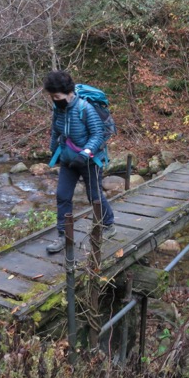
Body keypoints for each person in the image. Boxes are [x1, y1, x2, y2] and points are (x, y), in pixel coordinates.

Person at [43, 70, 115, 254]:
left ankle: (108, 225)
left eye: (57, 96)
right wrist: (53, 151)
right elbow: (56, 131)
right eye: (52, 96)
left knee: (94, 196)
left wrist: (85, 153)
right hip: (68, 160)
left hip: (89, 161)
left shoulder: (85, 108)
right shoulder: (58, 109)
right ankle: (63, 235)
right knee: (63, 196)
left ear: (68, 93)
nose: (54, 99)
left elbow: (98, 134)